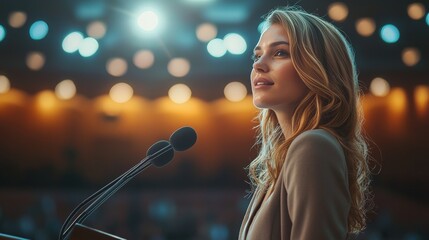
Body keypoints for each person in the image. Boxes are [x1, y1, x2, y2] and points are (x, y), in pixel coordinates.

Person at [239, 6, 372, 240]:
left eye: (280, 53)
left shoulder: (313, 146)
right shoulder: (281, 161)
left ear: (318, 69)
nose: (258, 65)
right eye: (257, 55)